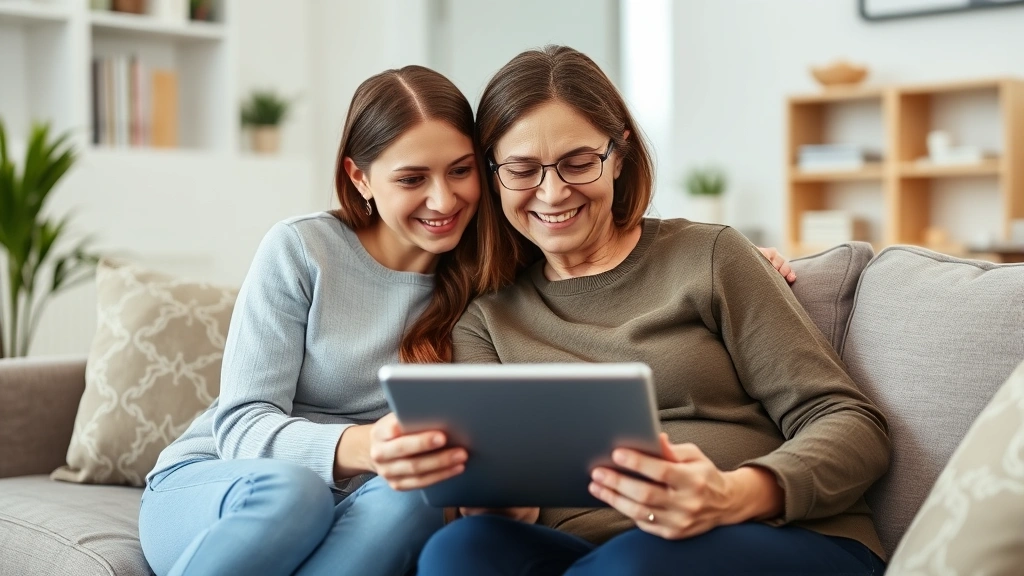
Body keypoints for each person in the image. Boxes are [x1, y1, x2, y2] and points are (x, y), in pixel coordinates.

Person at [416, 46, 890, 576]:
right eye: (522, 170)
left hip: (767, 532)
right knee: (457, 549)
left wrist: (733, 493)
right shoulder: (486, 319)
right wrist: (499, 496)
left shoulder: (709, 256)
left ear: (618, 155)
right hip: (591, 552)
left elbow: (851, 423)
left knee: (633, 564)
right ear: (494, 175)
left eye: (578, 162)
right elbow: (505, 490)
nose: (551, 193)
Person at [137, 66, 500, 576]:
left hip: (362, 508)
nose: (444, 200)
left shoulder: (487, 280)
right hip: (223, 485)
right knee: (296, 491)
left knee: (416, 496)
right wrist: (367, 445)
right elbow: (241, 426)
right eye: (413, 179)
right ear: (360, 177)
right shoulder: (301, 249)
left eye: (461, 171)